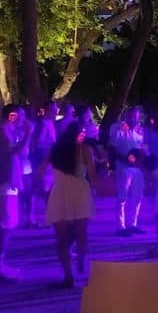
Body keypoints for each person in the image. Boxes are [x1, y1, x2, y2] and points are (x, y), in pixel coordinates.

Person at [46, 122, 97, 288]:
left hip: (59, 192)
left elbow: (40, 171)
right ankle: (82, 260)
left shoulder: (55, 150)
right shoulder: (85, 150)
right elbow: (93, 177)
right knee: (81, 233)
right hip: (80, 193)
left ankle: (68, 275)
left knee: (61, 239)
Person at [0, 104, 32, 282]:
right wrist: (28, 134)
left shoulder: (10, 131)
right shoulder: (3, 131)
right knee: (5, 228)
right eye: (20, 115)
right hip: (4, 185)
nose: (23, 118)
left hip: (9, 183)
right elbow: (13, 152)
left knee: (7, 227)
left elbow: (21, 154)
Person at [110, 107, 146, 237]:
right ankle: (121, 226)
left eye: (135, 117)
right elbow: (112, 150)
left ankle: (133, 224)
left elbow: (143, 149)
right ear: (126, 116)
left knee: (137, 196)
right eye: (130, 116)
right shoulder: (119, 131)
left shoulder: (141, 131)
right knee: (122, 196)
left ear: (138, 117)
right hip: (124, 168)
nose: (132, 119)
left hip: (138, 169)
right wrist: (126, 159)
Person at [26, 101, 59, 229]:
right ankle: (39, 218)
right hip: (42, 162)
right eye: (54, 111)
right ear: (48, 110)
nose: (56, 113)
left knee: (43, 190)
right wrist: (42, 163)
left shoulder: (50, 123)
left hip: (47, 161)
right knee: (41, 190)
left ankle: (37, 218)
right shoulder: (43, 124)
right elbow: (36, 144)